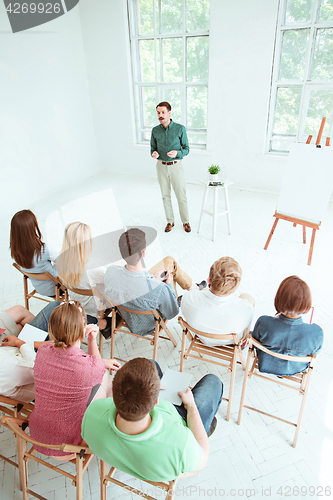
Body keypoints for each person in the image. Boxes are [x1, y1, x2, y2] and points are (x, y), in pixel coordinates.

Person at [82, 357, 223, 482]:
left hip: (147, 412)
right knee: (213, 382)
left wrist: (145, 390)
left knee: (151, 364)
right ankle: (204, 425)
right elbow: (203, 456)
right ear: (157, 401)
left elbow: (100, 392)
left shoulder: (91, 415)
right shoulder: (182, 446)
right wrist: (191, 406)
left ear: (114, 395)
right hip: (181, 420)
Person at [29, 301, 121, 458]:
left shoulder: (42, 352)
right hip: (69, 445)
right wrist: (92, 340)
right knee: (106, 381)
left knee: (104, 382)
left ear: (51, 329)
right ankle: (115, 432)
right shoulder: (87, 367)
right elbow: (98, 367)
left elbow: (93, 364)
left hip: (37, 435)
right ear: (81, 329)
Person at [104, 228, 205, 337]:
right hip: (149, 323)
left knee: (169, 261)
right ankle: (191, 291)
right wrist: (168, 285)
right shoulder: (159, 289)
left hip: (130, 314)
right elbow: (172, 313)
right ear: (144, 253)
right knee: (169, 275)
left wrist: (154, 281)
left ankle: (192, 288)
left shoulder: (110, 272)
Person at [252, 276, 323, 376]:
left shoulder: (263, 322)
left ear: (278, 298)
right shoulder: (316, 333)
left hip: (266, 364)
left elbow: (254, 341)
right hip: (297, 369)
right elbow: (316, 351)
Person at [181, 257, 254, 347]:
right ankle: (243, 342)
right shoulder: (246, 309)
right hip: (231, 341)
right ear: (236, 286)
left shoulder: (188, 298)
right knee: (248, 297)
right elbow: (246, 324)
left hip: (203, 338)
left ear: (208, 280)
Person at [57, 221, 110, 336]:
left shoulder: (60, 261)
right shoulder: (91, 268)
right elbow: (113, 280)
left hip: (78, 304)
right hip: (96, 307)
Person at [0, 301, 59, 402]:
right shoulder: (8, 365)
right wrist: (21, 342)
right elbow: (37, 370)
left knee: (20, 324)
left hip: (18, 352)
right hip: (30, 360)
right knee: (54, 307)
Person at [150, 101, 191, 233]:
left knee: (181, 195)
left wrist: (178, 153)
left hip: (176, 166)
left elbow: (187, 149)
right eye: (158, 112)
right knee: (165, 195)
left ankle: (185, 221)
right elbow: (153, 148)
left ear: (169, 113)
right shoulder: (155, 131)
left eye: (162, 112)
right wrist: (154, 153)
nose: (160, 115)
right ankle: (170, 221)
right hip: (161, 166)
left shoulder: (180, 129)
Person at [10, 209, 58, 297]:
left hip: (40, 289)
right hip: (56, 288)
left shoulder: (15, 251)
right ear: (33, 227)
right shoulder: (44, 249)